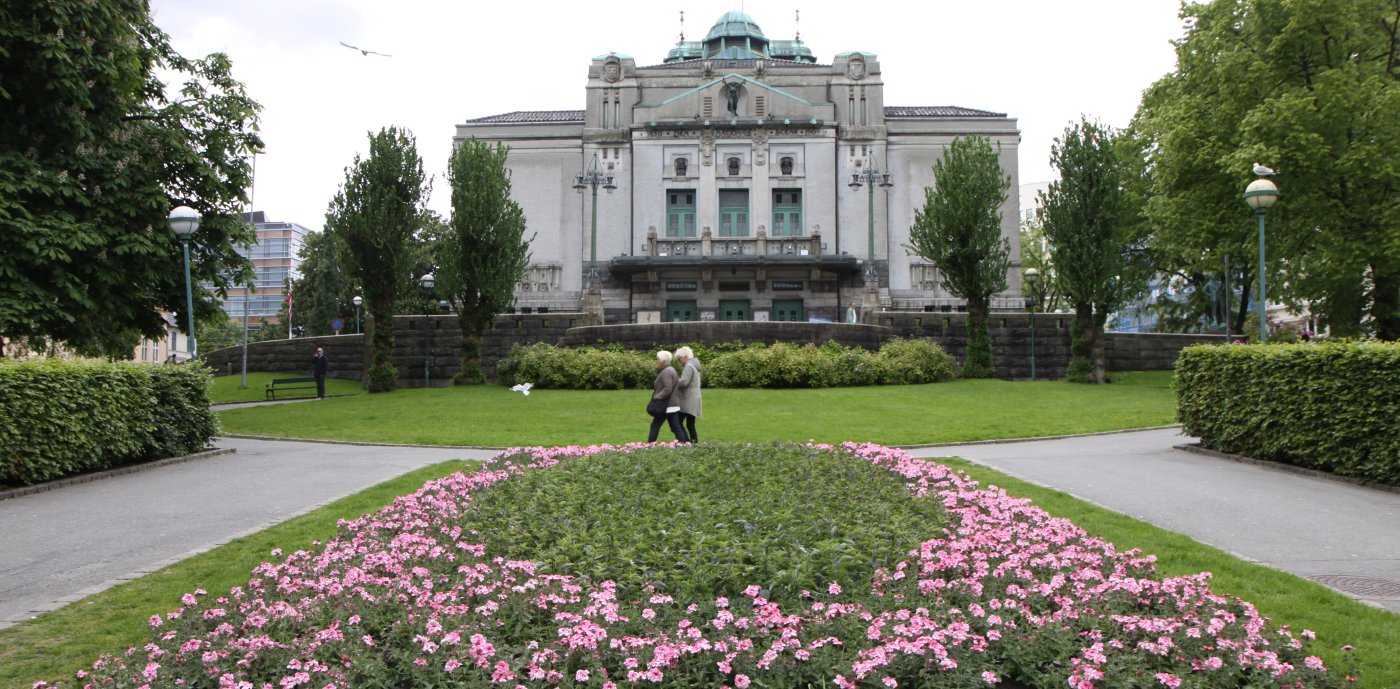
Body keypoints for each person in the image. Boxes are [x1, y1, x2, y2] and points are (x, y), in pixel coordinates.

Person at [648, 350, 689, 443]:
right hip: (671, 404)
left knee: (655, 425)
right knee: (675, 426)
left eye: (658, 359)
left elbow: (667, 389)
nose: (657, 361)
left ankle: (650, 444)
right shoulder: (670, 370)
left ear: (663, 361)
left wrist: (656, 398)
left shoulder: (666, 372)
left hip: (666, 405)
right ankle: (684, 443)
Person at [675, 346, 703, 443]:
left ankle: (685, 442)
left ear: (685, 357)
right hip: (695, 398)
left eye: (679, 358)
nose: (679, 361)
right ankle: (694, 443)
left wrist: (674, 379)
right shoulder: (695, 365)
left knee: (677, 422)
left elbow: (684, 382)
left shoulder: (688, 366)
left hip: (688, 399)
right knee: (690, 424)